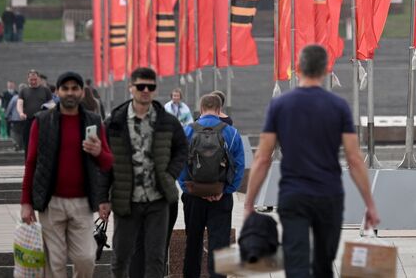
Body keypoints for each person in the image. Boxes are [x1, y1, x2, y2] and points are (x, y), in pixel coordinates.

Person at [243, 45, 379, 278]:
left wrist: (249, 204)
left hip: (293, 195)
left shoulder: (280, 106)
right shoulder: (338, 107)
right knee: (323, 265)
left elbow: (263, 157)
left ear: (299, 68)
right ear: (325, 70)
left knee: (296, 262)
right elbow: (355, 159)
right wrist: (370, 204)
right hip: (329, 196)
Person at [20, 71, 113, 278]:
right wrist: (26, 202)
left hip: (82, 204)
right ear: (58, 92)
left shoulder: (94, 121)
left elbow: (108, 162)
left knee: (86, 258)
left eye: (75, 88)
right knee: (55, 264)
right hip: (51, 203)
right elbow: (31, 162)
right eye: (65, 88)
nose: (70, 93)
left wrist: (98, 152)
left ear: (81, 92)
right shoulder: (42, 121)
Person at [105, 66, 187, 278]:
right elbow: (104, 163)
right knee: (121, 257)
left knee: (155, 257)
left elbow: (182, 150)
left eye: (150, 87)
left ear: (155, 90)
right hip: (126, 200)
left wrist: (170, 174)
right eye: (140, 86)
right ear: (131, 88)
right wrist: (102, 198)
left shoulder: (167, 121)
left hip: (157, 199)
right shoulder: (115, 122)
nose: (145, 90)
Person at [178, 92, 247, 278]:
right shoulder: (231, 132)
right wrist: (226, 190)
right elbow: (240, 166)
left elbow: (178, 164)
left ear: (201, 109)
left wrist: (190, 189)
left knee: (193, 242)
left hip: (193, 198)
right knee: (220, 244)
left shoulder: (187, 131)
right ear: (219, 110)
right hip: (221, 196)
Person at [17, 71, 54, 155]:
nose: (33, 81)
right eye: (31, 79)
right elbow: (19, 103)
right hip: (28, 120)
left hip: (42, 121)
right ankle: (28, 162)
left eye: (35, 79)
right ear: (28, 79)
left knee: (42, 143)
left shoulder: (45, 90)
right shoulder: (23, 91)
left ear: (39, 79)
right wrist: (21, 113)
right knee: (28, 143)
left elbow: (52, 104)